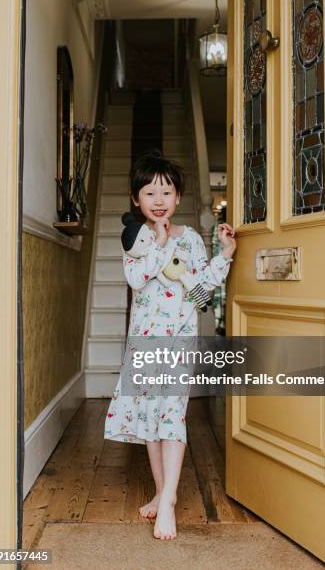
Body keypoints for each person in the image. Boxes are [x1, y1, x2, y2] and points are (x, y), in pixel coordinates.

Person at [104, 151, 236, 540]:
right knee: (149, 418)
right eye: (149, 192)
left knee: (171, 417)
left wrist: (224, 255)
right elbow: (137, 279)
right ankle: (162, 492)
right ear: (136, 199)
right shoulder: (135, 239)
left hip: (178, 343)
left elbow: (202, 286)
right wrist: (159, 242)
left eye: (166, 191)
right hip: (144, 345)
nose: (159, 200)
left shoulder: (192, 238)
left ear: (177, 197)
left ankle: (169, 500)